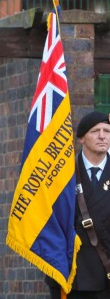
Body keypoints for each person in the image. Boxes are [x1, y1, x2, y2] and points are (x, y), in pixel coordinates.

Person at [46, 111, 110, 299]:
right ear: (81, 138)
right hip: (71, 274)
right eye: (95, 131)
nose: (102, 136)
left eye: (107, 131)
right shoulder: (62, 175)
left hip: (105, 275)